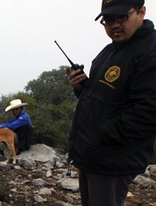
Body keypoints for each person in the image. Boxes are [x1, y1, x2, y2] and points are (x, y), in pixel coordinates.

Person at [66, 0, 156, 205]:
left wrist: (101, 134)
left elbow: (148, 112)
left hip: (112, 159)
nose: (114, 25)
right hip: (93, 155)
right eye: (108, 19)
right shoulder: (110, 51)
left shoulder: (150, 51)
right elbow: (105, 98)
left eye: (121, 17)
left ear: (141, 12)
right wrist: (81, 87)